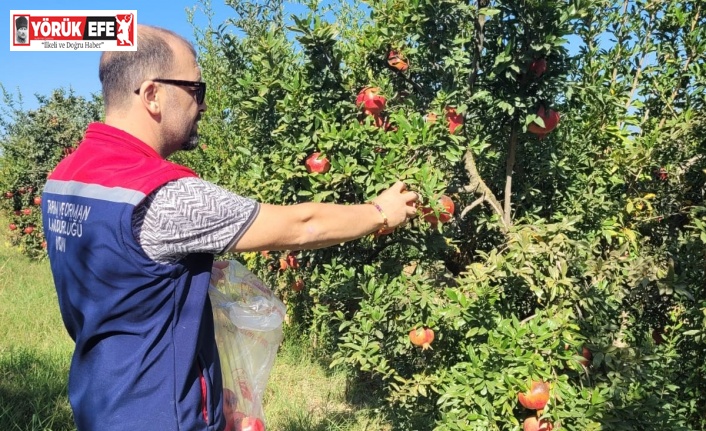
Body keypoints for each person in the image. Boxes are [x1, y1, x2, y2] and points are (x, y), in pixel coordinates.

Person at [40, 24, 418, 431]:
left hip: (101, 401)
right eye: (196, 91)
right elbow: (300, 225)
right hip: (164, 415)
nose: (201, 107)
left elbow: (120, 269)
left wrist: (186, 275)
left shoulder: (66, 178)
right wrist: (381, 211)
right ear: (152, 94)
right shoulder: (164, 195)